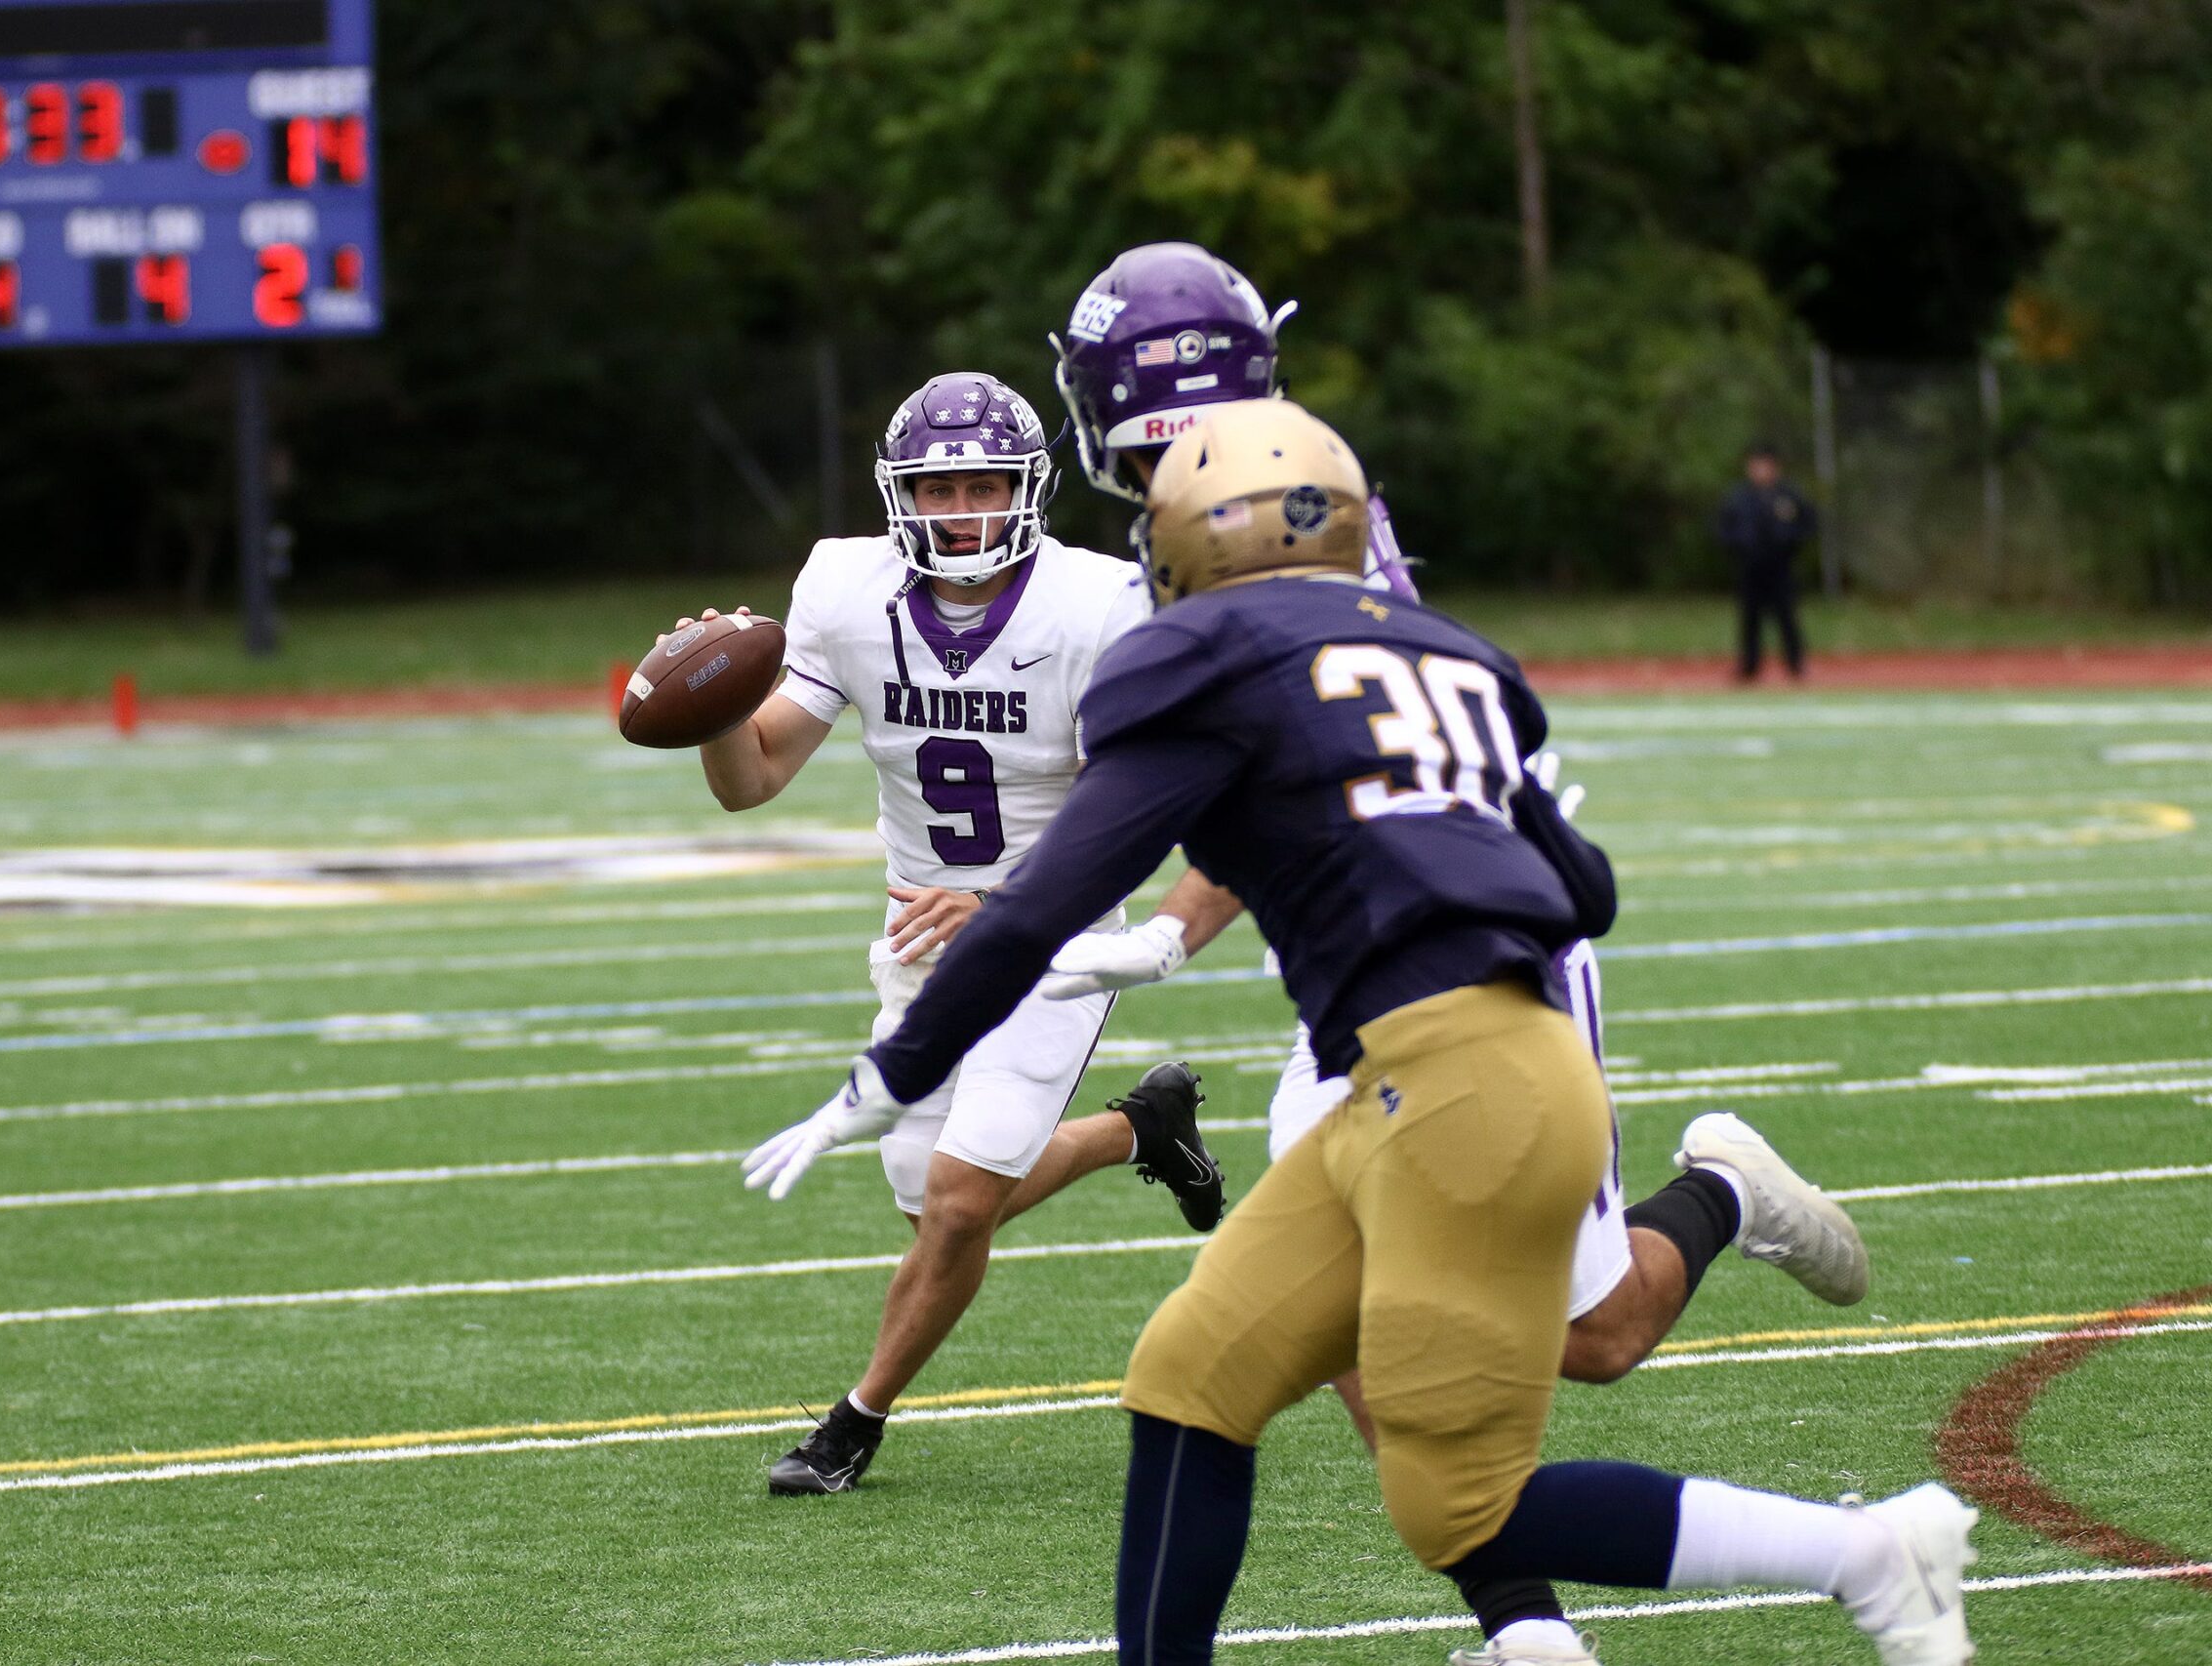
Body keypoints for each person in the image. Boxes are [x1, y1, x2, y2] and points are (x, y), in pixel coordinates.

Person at [747, 401, 1977, 1666]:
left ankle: (1870, 1552)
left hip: (1450, 1083)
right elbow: (1585, 886)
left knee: (1456, 1496)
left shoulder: (1196, 654)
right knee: (1189, 1375)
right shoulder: (1442, 651)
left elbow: (1045, 899)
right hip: (1439, 1059)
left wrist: (887, 1073)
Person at [1039, 243, 1864, 1436]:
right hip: (1354, 967)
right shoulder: (1244, 507)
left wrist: (1158, 930)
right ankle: (1514, 1611)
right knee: (1345, 1320)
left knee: (1595, 1335)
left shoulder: (1278, 528)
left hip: (1482, 932)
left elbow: (1315, 771)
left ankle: (1725, 1191)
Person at [697, 371, 1227, 1496]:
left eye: (985, 484)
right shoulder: (845, 587)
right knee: (928, 1193)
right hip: (919, 932)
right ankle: (1142, 1127)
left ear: (1028, 487)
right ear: (901, 493)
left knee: (958, 1201)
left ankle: (852, 1422)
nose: (962, 510)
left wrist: (1006, 905)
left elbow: (1140, 801)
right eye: (939, 488)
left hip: (1056, 932)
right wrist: (707, 718)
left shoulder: (1098, 603)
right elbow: (753, 779)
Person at [1716, 442, 1816, 680]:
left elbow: (1808, 524)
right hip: (1750, 567)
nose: (1760, 471)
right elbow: (1723, 528)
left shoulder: (1789, 496)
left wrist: (1789, 543)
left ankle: (1795, 664)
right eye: (1755, 466)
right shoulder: (1738, 497)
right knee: (1750, 618)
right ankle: (1749, 666)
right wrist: (1739, 546)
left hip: (1781, 567)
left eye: (1764, 466)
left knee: (1787, 616)